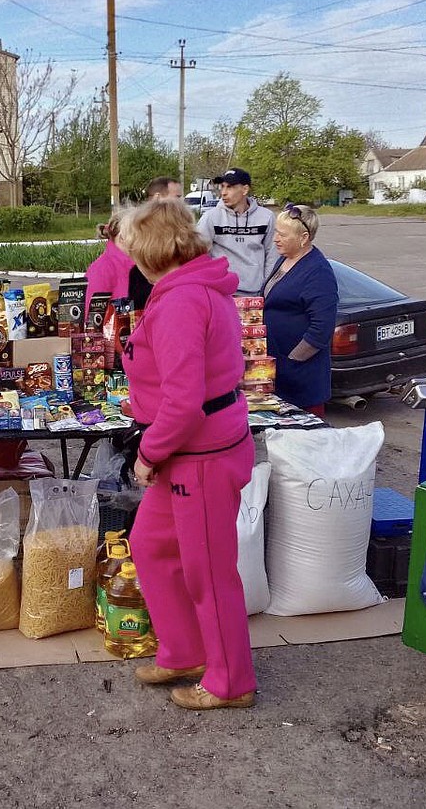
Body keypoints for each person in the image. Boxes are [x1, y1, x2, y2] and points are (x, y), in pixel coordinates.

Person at [117, 196, 258, 711]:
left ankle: (230, 682)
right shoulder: (190, 286)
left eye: (133, 250)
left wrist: (148, 454)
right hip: (194, 449)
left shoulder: (179, 300)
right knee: (152, 546)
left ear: (152, 253)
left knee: (209, 572)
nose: (130, 259)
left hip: (197, 455)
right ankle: (183, 650)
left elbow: (183, 401)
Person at [262, 204, 338, 417]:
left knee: (303, 443)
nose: (275, 238)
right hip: (276, 373)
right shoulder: (285, 259)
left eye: (282, 234)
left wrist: (292, 361)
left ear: (304, 237)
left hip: (301, 381)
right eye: (276, 232)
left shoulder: (318, 272)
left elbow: (321, 329)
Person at [195, 167, 279, 296]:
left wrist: (267, 288)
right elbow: (197, 254)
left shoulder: (267, 217)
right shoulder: (210, 218)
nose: (223, 192)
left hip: (255, 294)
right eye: (222, 187)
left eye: (230, 187)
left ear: (245, 189)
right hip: (220, 293)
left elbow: (272, 255)